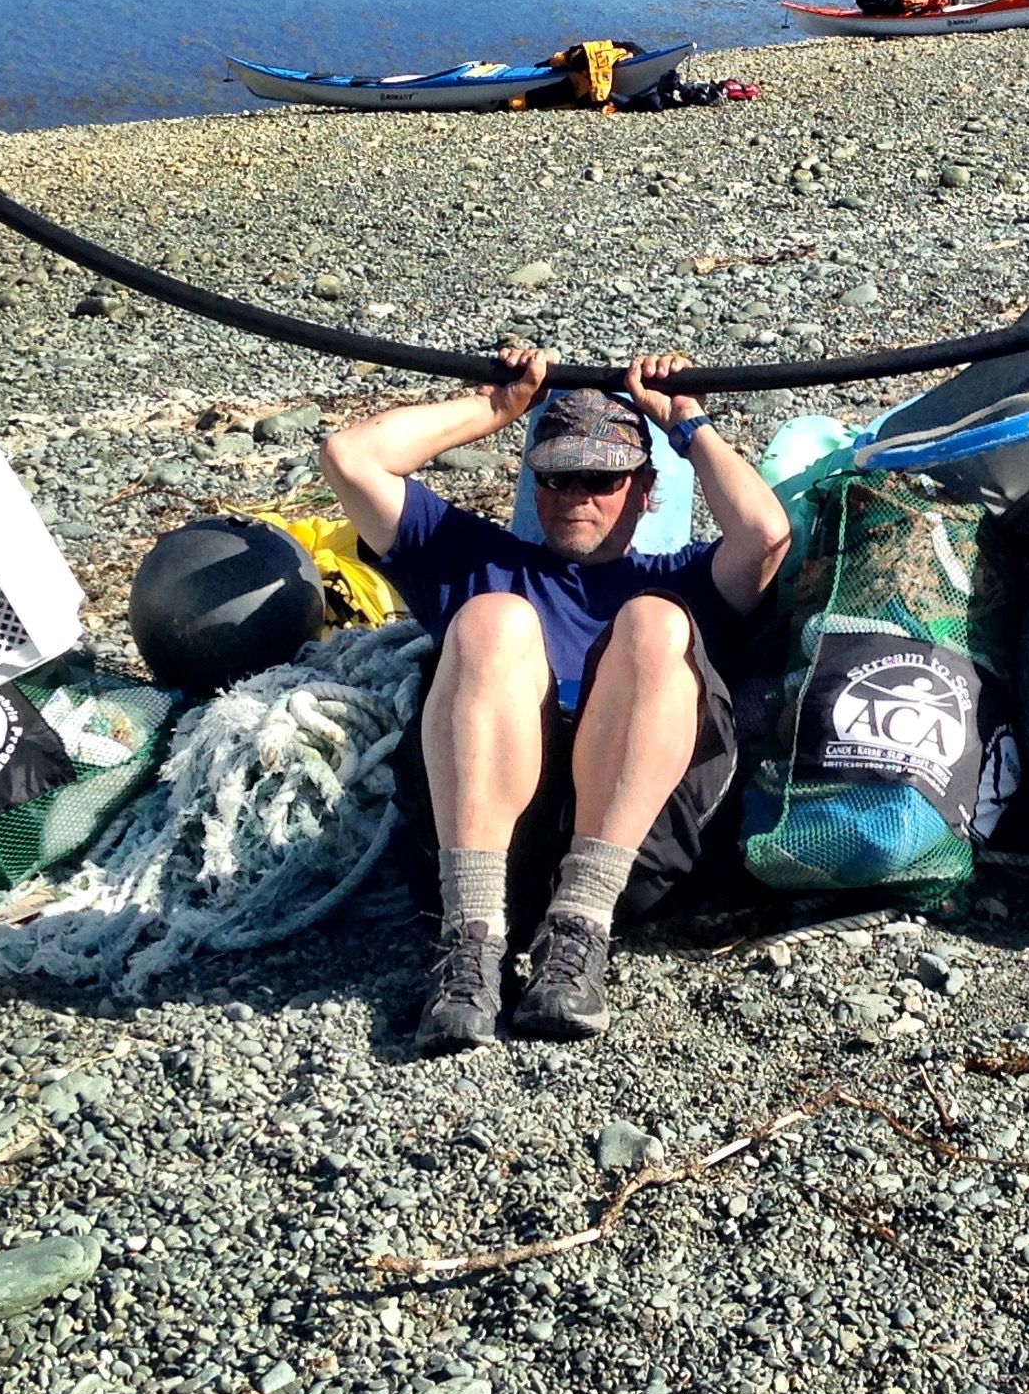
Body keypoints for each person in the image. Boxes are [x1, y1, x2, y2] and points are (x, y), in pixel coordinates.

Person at [318, 350, 791, 1051]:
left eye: (602, 478)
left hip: (633, 862)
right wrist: (493, 410)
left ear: (644, 489)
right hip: (487, 855)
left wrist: (687, 423)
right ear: (533, 486)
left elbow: (765, 534)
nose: (578, 494)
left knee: (654, 622)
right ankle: (469, 945)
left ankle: (580, 926)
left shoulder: (685, 578)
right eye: (558, 476)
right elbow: (351, 456)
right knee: (491, 619)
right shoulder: (475, 562)